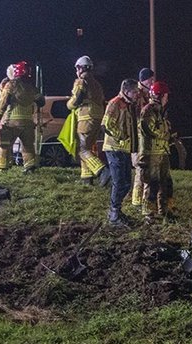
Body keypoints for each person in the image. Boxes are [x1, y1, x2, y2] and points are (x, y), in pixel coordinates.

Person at [0, 61, 44, 172]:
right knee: (28, 146)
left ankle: (2, 167)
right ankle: (30, 167)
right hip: (28, 123)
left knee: (4, 145)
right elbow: (42, 101)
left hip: (12, 121)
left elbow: (3, 102)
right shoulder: (32, 87)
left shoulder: (10, 85)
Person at [102, 79, 140, 226]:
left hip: (124, 149)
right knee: (119, 182)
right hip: (114, 148)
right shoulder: (115, 103)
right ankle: (114, 215)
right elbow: (106, 124)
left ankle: (117, 211)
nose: (137, 94)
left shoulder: (129, 105)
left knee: (126, 183)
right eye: (134, 92)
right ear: (126, 91)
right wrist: (121, 136)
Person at [67, 55, 110, 186]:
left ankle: (102, 171)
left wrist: (69, 104)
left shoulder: (81, 81)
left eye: (77, 68)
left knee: (82, 149)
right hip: (97, 118)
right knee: (88, 147)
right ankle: (87, 178)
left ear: (81, 68)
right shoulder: (97, 84)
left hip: (86, 118)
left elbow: (77, 99)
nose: (76, 71)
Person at [138, 81, 174, 221]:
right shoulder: (149, 111)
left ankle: (164, 210)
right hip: (151, 153)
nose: (167, 98)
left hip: (162, 152)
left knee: (166, 182)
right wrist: (166, 135)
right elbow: (149, 130)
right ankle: (148, 212)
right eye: (166, 95)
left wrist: (171, 136)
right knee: (152, 183)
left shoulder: (161, 111)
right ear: (159, 95)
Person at [131, 67, 156, 209]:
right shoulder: (138, 94)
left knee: (145, 169)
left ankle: (142, 199)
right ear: (144, 80)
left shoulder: (146, 94)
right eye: (150, 79)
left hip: (144, 136)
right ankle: (136, 201)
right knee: (140, 168)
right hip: (138, 136)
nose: (153, 81)